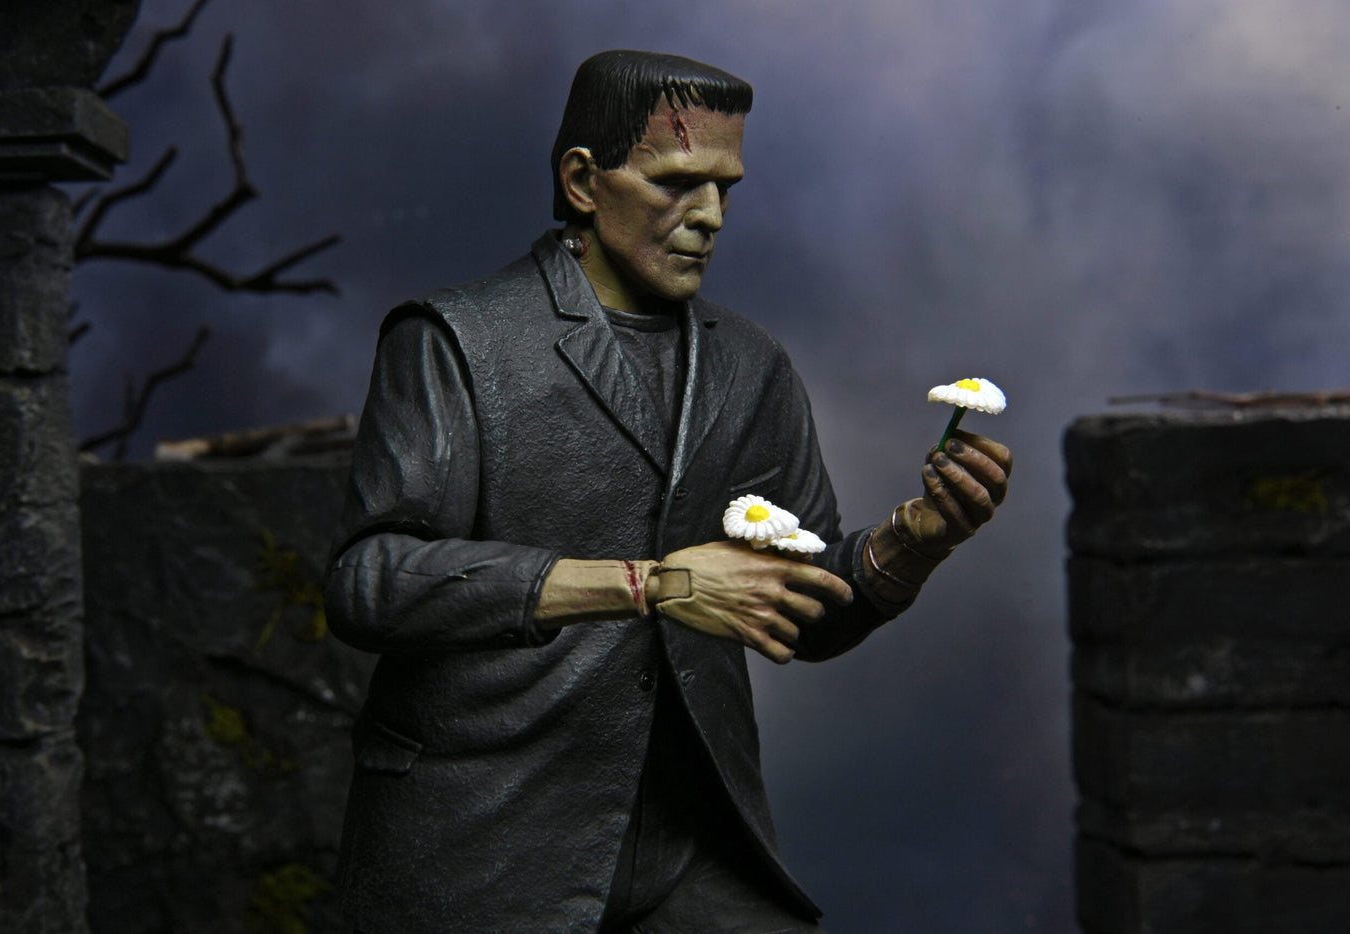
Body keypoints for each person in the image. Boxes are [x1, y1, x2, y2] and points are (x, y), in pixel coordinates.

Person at [324, 49, 1011, 933]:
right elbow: (370, 581)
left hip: (696, 852)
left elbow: (802, 611)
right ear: (583, 181)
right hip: (485, 848)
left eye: (725, 187)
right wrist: (651, 585)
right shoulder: (454, 342)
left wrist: (911, 546)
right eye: (678, 183)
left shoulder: (750, 366)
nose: (711, 215)